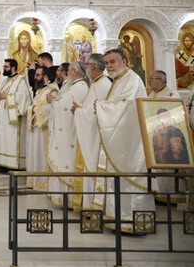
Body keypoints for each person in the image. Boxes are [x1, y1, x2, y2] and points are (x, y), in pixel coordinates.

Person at [91, 49, 153, 232]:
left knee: (129, 180)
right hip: (121, 140)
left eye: (113, 62)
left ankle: (133, 222)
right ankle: (117, 219)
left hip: (131, 142)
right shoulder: (119, 80)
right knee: (118, 181)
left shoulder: (132, 80)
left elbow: (127, 106)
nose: (109, 66)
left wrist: (100, 106)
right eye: (106, 63)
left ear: (124, 62)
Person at [71, 53, 111, 211]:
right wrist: (81, 110)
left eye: (87, 64)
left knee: (93, 168)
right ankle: (87, 204)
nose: (86, 67)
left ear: (93, 66)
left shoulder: (103, 85)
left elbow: (97, 113)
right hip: (90, 135)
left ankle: (93, 206)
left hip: (96, 138)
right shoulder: (96, 84)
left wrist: (78, 111)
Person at [48, 61, 88, 208]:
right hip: (74, 131)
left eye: (69, 70)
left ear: (75, 72)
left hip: (70, 134)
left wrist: (52, 101)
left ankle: (69, 198)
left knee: (68, 163)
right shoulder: (81, 86)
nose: (67, 73)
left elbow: (64, 108)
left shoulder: (77, 88)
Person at [0, 59, 31, 169]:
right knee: (3, 139)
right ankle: (1, 161)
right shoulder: (5, 81)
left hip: (12, 118)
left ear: (13, 68)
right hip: (3, 117)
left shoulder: (20, 80)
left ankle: (11, 164)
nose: (4, 69)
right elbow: (1, 97)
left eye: (6, 67)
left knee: (11, 140)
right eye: (4, 67)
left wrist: (6, 96)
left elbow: (23, 98)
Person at [25, 66, 58, 190]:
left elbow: (51, 109)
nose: (35, 77)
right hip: (36, 128)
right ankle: (34, 181)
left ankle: (43, 183)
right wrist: (32, 109)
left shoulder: (53, 90)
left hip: (44, 130)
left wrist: (34, 110)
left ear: (45, 76)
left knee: (42, 155)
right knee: (35, 154)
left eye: (37, 75)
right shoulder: (41, 90)